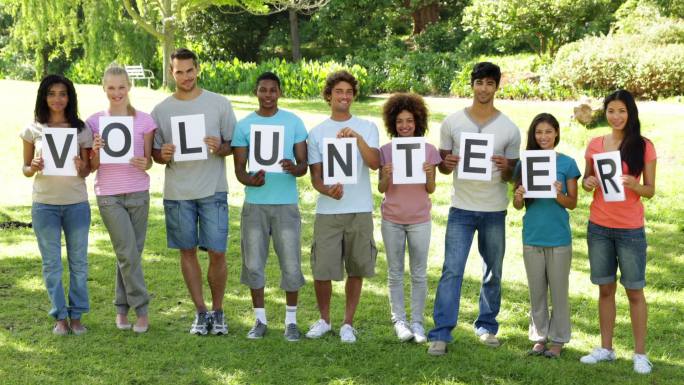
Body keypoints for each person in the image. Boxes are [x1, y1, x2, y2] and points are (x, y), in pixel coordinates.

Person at [427, 62, 521, 355]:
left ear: (497, 87)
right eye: (479, 83)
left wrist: (507, 168)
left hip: (494, 209)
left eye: (490, 84)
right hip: (462, 208)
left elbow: (511, 175)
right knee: (452, 269)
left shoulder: (509, 128)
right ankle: (441, 332)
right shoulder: (453, 122)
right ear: (472, 85)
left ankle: (487, 326)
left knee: (493, 270)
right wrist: (446, 164)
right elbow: (443, 167)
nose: (484, 89)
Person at [152, 48, 236, 335]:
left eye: (190, 70)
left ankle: (219, 310)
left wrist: (219, 147)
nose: (185, 77)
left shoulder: (219, 104)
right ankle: (200, 311)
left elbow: (232, 145)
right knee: (186, 251)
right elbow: (155, 153)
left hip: (212, 189)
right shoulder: (162, 111)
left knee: (217, 252)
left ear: (197, 69)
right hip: (178, 193)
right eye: (179, 72)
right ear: (171, 73)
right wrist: (162, 153)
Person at [579, 90, 656, 374]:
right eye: (611, 111)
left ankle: (640, 353)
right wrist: (588, 183)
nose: (616, 116)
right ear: (605, 113)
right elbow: (588, 179)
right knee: (605, 289)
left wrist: (635, 186)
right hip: (599, 225)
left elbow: (650, 190)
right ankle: (606, 348)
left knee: (635, 291)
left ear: (630, 113)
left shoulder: (644, 146)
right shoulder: (595, 144)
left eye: (622, 111)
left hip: (630, 229)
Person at [305, 70, 380, 343]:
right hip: (328, 210)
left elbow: (374, 163)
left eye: (349, 92)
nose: (344, 96)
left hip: (359, 208)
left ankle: (348, 323)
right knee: (322, 268)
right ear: (329, 96)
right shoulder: (317, 133)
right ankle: (324, 320)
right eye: (339, 92)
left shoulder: (368, 127)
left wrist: (357, 140)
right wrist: (327, 189)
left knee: (357, 267)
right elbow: (316, 176)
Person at [232, 72, 308, 341]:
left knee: (291, 264)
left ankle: (291, 322)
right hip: (255, 205)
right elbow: (239, 170)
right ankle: (260, 320)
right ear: (256, 91)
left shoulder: (293, 122)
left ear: (279, 92)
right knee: (253, 264)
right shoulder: (244, 126)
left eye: (272, 90)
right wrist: (251, 179)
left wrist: (293, 167)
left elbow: (303, 166)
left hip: (286, 204)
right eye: (263, 90)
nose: (267, 95)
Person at [20, 75, 93, 335]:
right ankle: (60, 317)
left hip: (76, 204)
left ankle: (77, 317)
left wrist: (82, 166)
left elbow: (86, 171)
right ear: (44, 97)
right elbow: (26, 169)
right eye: (51, 93)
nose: (57, 99)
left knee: (79, 263)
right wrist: (34, 166)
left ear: (69, 97)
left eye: (62, 93)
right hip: (45, 205)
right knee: (51, 264)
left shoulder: (81, 129)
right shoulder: (33, 129)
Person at [87, 65, 156, 333]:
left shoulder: (145, 121)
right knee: (127, 253)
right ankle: (142, 310)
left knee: (129, 254)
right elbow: (91, 167)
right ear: (104, 88)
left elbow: (149, 161)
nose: (117, 93)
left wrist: (144, 162)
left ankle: (120, 309)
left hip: (138, 193)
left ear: (129, 87)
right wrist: (95, 151)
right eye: (111, 87)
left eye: (121, 87)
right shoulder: (94, 122)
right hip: (109, 195)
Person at [512, 113, 580, 358]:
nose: (543, 137)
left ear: (557, 134)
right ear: (533, 135)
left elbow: (571, 203)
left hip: (559, 237)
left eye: (548, 132)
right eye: (539, 132)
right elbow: (518, 204)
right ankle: (539, 336)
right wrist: (518, 197)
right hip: (532, 236)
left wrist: (558, 193)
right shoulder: (525, 163)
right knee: (536, 291)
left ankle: (559, 339)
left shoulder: (567, 164)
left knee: (559, 291)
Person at [378, 93, 441, 343]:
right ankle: (399, 321)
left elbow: (431, 189)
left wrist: (428, 174)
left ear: (418, 122)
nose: (405, 126)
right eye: (400, 121)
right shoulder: (385, 151)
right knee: (394, 272)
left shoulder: (428, 150)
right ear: (393, 123)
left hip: (419, 219)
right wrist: (386, 174)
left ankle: (417, 322)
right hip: (392, 218)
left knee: (418, 273)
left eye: (410, 121)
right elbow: (382, 189)